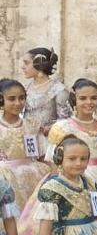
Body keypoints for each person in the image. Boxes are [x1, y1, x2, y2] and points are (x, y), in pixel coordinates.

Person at [41, 80, 97, 225]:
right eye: (83, 98)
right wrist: (63, 187)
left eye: (93, 98)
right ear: (74, 99)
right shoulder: (63, 128)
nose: (89, 102)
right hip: (77, 178)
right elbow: (53, 163)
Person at [0, 80, 52, 216]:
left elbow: (41, 155)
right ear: (1, 99)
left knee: (32, 215)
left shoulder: (32, 125)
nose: (18, 103)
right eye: (12, 99)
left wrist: (55, 175)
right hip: (5, 177)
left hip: (32, 175)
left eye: (21, 98)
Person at [19, 47, 70, 136]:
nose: (23, 67)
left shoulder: (58, 89)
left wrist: (51, 127)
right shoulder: (25, 88)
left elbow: (66, 120)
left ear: (39, 64)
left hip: (48, 139)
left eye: (26, 63)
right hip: (27, 139)